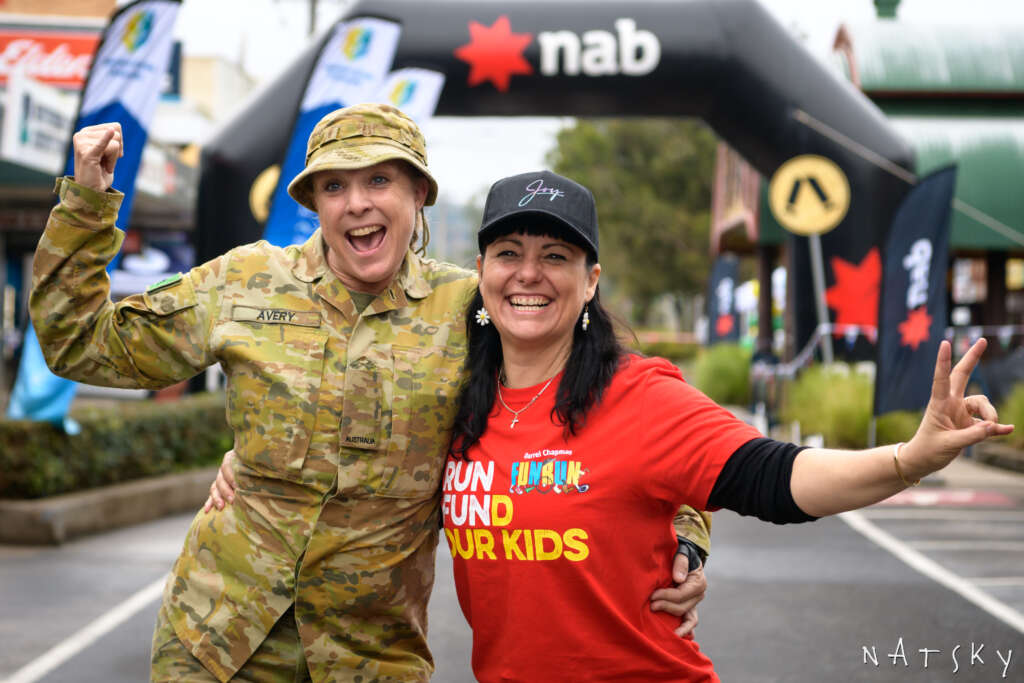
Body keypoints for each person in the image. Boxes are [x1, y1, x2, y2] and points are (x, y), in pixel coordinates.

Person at [29, 104, 710, 682]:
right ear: (315, 202)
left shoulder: (474, 308)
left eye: (380, 179)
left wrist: (683, 533)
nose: (357, 202)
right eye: (334, 185)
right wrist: (86, 205)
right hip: (216, 637)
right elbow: (79, 342)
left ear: (418, 196)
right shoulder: (246, 282)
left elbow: (622, 408)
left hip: (370, 653)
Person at [438, 170, 1013, 682]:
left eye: (556, 255)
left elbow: (775, 476)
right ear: (483, 272)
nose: (529, 273)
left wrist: (909, 459)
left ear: (590, 281)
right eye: (509, 252)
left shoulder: (640, 397)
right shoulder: (454, 402)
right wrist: (687, 539)